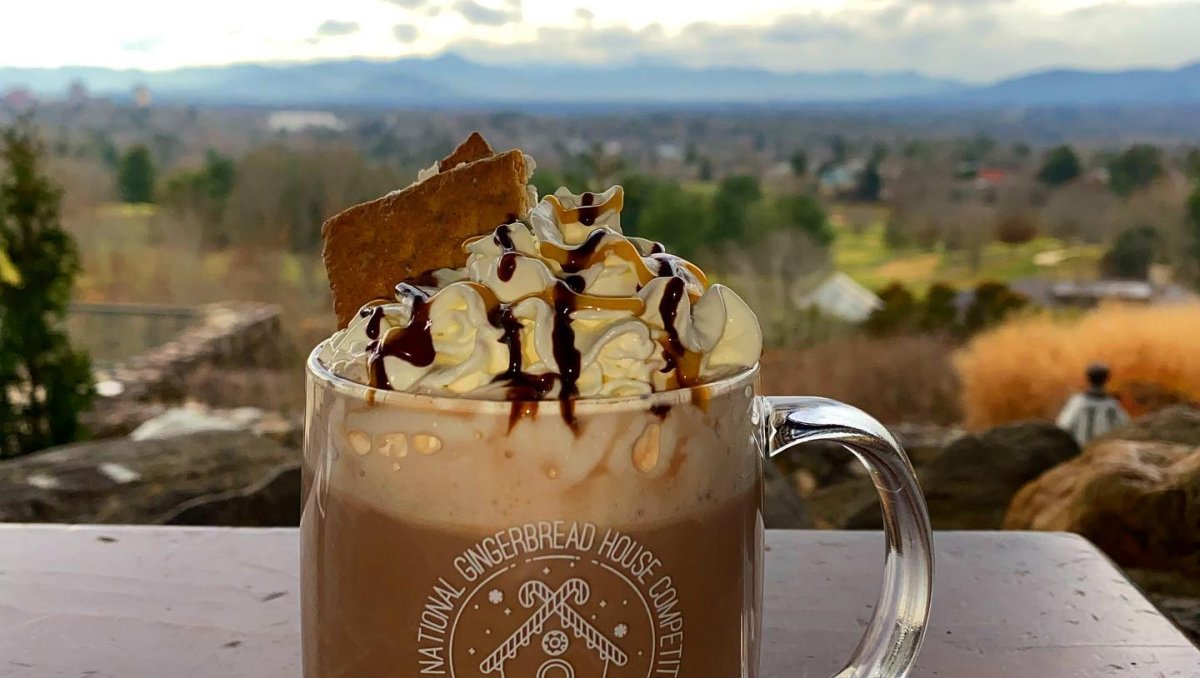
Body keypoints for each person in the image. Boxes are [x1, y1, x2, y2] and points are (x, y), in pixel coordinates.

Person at [1056, 362, 1130, 447]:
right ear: (1107, 379)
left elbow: (1063, 428)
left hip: (1081, 454)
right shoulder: (1113, 405)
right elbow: (1125, 429)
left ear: (1087, 378)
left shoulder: (1078, 402)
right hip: (1106, 454)